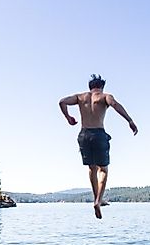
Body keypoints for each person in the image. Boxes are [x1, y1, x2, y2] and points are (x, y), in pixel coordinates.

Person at [59, 74, 138, 219]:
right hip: (98, 134)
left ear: (90, 87)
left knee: (92, 168)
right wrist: (130, 120)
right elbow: (115, 105)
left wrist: (68, 118)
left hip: (83, 135)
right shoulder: (104, 96)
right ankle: (98, 200)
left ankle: (96, 198)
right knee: (104, 170)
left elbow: (62, 102)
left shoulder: (80, 97)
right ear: (101, 87)